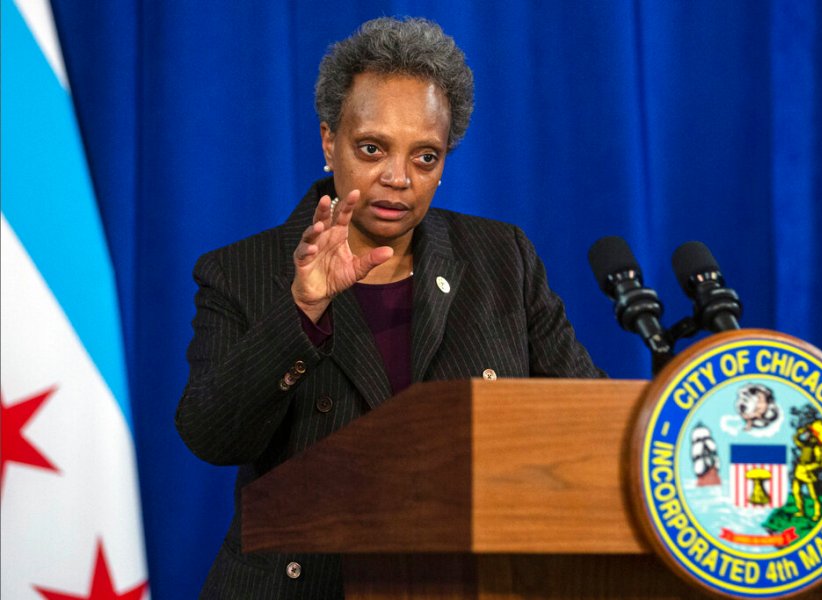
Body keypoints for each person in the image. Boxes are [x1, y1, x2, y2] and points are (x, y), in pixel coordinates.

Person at [176, 16, 604, 599]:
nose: (398, 178)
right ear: (329, 142)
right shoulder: (242, 272)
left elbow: (586, 420)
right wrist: (302, 309)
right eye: (372, 148)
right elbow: (211, 436)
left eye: (425, 157)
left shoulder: (501, 257)